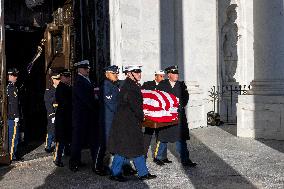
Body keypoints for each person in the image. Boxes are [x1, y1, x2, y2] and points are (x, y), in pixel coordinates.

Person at [107, 65, 157, 182]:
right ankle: (115, 173)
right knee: (124, 149)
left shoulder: (130, 84)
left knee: (135, 148)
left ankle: (143, 173)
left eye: (139, 71)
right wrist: (143, 116)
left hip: (129, 123)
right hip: (127, 124)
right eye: (136, 72)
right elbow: (136, 107)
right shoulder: (130, 87)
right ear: (129, 74)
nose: (139, 73)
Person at [155, 65, 197, 167]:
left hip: (178, 115)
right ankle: (159, 157)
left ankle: (185, 160)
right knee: (163, 136)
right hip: (166, 115)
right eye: (174, 73)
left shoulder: (181, 85)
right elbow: (158, 98)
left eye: (177, 73)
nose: (176, 75)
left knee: (180, 138)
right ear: (169, 74)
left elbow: (185, 98)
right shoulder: (162, 85)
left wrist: (180, 105)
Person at [69, 60, 99, 172]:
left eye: (88, 68)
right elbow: (86, 99)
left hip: (89, 116)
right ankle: (74, 163)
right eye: (86, 68)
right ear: (79, 70)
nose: (88, 70)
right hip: (81, 117)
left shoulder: (88, 80)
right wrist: (97, 105)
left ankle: (96, 162)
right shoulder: (79, 81)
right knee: (77, 141)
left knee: (93, 140)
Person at [141, 70, 172, 166]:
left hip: (162, 115)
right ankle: (143, 155)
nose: (163, 78)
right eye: (161, 76)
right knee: (148, 135)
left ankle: (161, 157)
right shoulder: (147, 84)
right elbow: (142, 96)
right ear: (156, 77)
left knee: (163, 135)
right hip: (150, 115)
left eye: (163, 76)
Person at [53, 69, 72, 167]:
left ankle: (67, 154)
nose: (69, 78)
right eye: (67, 77)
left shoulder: (67, 87)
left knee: (67, 138)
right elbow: (63, 102)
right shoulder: (61, 87)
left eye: (69, 77)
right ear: (62, 77)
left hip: (67, 116)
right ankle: (57, 158)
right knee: (60, 139)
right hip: (62, 117)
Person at [44, 70, 60, 153]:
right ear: (53, 80)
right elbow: (48, 102)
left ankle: (59, 145)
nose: (59, 81)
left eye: (59, 79)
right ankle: (48, 145)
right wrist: (51, 114)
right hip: (53, 112)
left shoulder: (61, 89)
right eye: (57, 79)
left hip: (60, 112)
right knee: (51, 129)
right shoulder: (49, 90)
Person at [7, 68, 21, 161]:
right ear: (10, 76)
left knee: (15, 136)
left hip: (14, 116)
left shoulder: (14, 87)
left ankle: (13, 153)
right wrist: (15, 115)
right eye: (15, 75)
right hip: (12, 116)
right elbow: (11, 103)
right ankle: (12, 156)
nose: (16, 77)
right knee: (13, 137)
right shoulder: (9, 88)